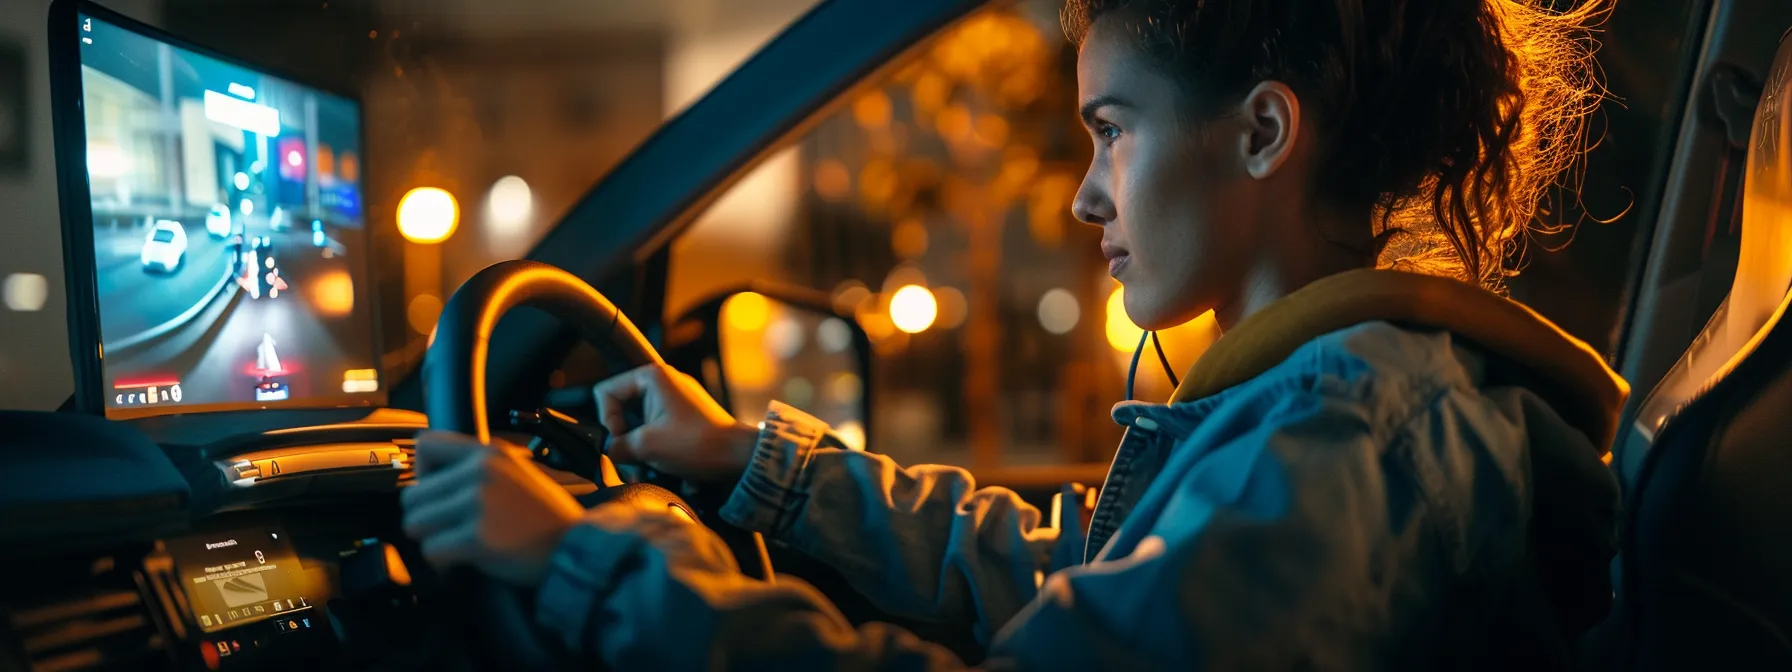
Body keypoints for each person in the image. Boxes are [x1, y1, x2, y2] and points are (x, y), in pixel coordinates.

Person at [399, 0, 1622, 668]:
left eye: (1111, 130)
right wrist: (750, 462)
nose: (1086, 195)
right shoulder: (1323, 400)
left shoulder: (1343, 431)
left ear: (1259, 134)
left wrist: (577, 558)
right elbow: (1077, 589)